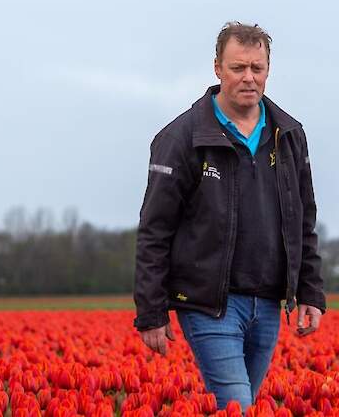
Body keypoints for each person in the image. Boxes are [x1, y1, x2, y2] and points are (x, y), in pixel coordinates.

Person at [133, 21, 326, 412]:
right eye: (238, 68)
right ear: (217, 68)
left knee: (245, 405)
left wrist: (310, 290)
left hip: (268, 302)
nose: (248, 78)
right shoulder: (181, 139)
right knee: (235, 402)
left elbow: (302, 218)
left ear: (268, 70)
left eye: (257, 68)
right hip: (209, 303)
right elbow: (155, 230)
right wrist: (151, 311)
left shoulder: (288, 135)